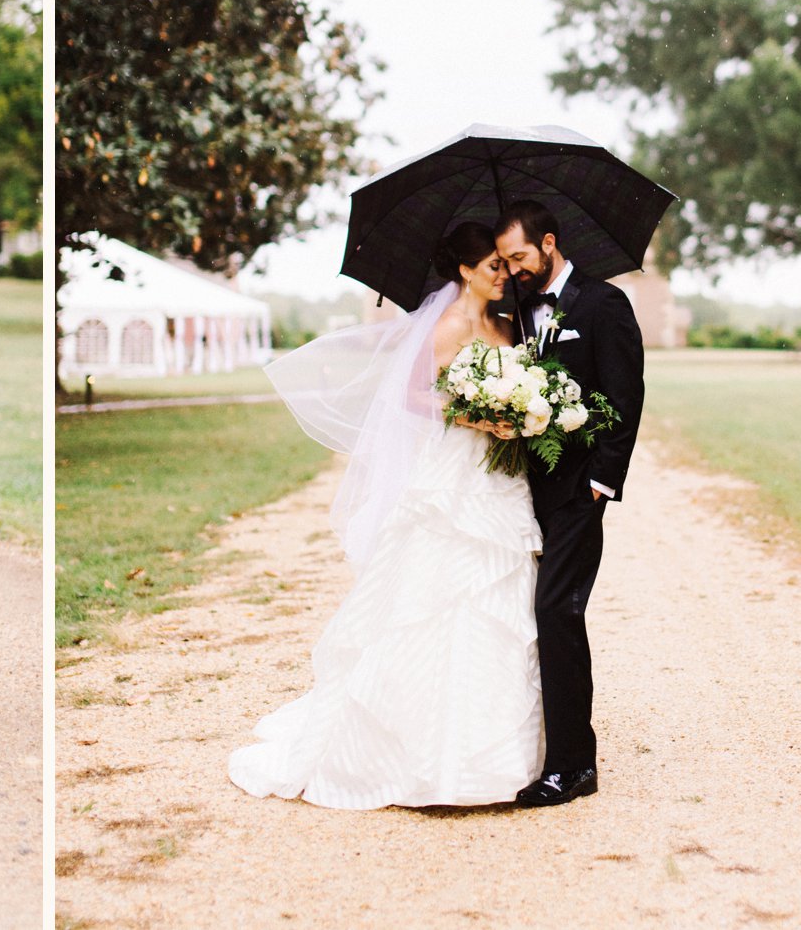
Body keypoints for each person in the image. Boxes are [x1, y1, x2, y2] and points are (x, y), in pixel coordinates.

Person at [229, 222, 543, 809]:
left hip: (497, 479)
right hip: (454, 474)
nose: (504, 274)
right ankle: (415, 751)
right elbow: (413, 396)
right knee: (436, 594)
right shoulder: (449, 325)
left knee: (497, 596)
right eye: (493, 266)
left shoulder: (506, 325)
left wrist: (517, 410)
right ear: (465, 272)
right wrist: (479, 416)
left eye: (505, 264)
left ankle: (496, 754)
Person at [494, 198, 644, 808]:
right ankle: (537, 749)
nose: (513, 268)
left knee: (557, 613)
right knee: (528, 616)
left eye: (521, 256)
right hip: (522, 492)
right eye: (504, 260)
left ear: (550, 242)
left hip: (578, 492)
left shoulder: (605, 304)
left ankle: (574, 765)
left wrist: (600, 484)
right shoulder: (516, 311)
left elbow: (625, 395)